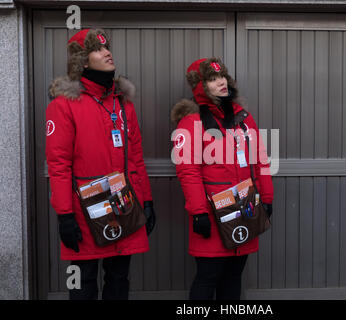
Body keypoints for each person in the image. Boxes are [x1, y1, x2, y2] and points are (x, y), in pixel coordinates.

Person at [45, 28, 155, 300]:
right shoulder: (64, 106)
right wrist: (65, 215)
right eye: (98, 49)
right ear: (82, 61)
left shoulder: (123, 103)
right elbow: (58, 164)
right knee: (84, 283)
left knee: (119, 279)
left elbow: (136, 157)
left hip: (124, 204)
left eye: (108, 48)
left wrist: (147, 200)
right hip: (85, 211)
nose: (107, 53)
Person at [171, 57, 274, 300]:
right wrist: (198, 212)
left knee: (234, 276)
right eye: (213, 78)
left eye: (223, 76)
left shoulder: (243, 119)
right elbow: (188, 171)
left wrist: (266, 198)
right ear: (200, 86)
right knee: (208, 276)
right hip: (212, 213)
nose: (221, 82)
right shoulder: (191, 122)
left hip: (245, 208)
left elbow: (261, 160)